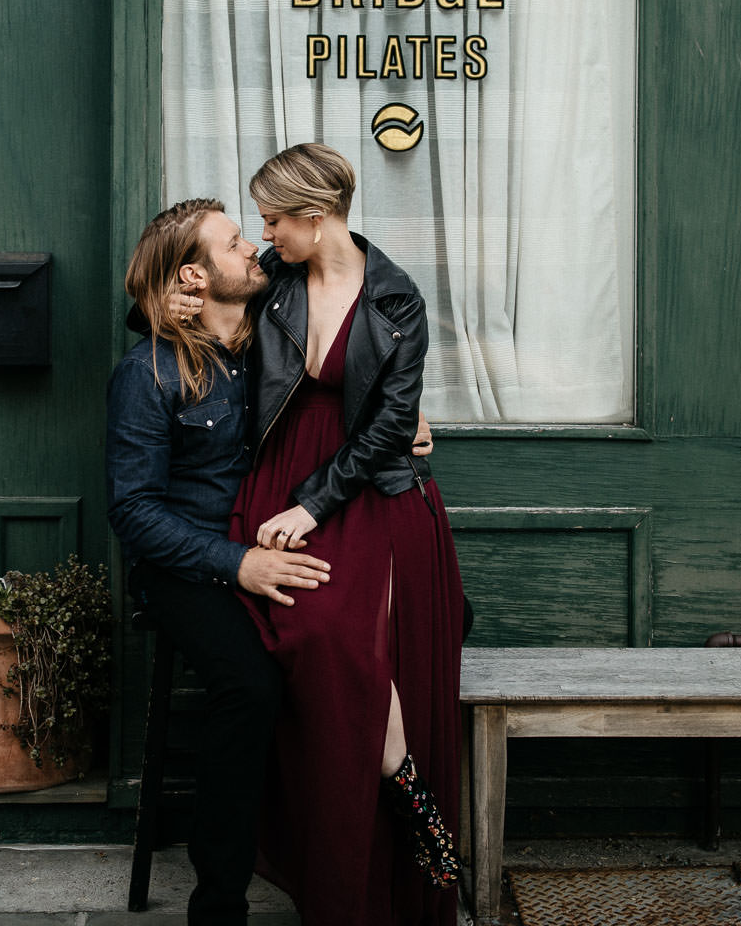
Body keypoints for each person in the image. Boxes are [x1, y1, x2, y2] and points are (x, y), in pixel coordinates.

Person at [229, 142, 466, 926]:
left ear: (318, 214)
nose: (264, 233)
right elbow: (177, 311)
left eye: (274, 219)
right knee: (320, 638)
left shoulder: (396, 299)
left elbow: (390, 425)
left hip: (360, 487)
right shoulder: (272, 278)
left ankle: (412, 813)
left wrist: (312, 505)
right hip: (281, 471)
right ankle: (412, 800)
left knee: (350, 641)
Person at [105, 197, 333, 926]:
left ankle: (346, 864)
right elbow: (134, 512)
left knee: (385, 631)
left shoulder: (273, 330)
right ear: (196, 274)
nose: (254, 251)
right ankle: (220, 903)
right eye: (235, 243)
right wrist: (235, 565)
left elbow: (355, 282)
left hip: (273, 544)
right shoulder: (147, 374)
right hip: (189, 566)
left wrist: (406, 408)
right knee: (250, 686)